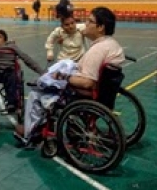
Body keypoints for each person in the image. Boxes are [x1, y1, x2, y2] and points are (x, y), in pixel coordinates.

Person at [14, 7, 125, 141]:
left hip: (84, 94)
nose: (86, 24)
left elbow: (87, 82)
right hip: (103, 92)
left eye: (89, 21)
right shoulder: (112, 44)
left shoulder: (98, 50)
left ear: (100, 27)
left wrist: (63, 76)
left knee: (36, 93)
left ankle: (30, 132)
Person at [0, 29, 45, 114]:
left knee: (12, 75)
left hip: (8, 70)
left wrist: (41, 71)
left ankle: (11, 103)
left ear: (5, 41)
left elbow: (25, 58)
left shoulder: (11, 47)